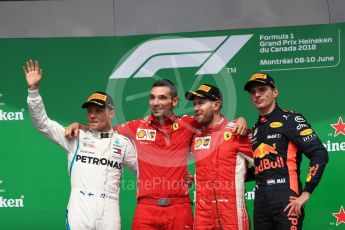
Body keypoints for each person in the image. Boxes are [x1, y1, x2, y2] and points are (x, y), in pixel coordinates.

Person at [66, 79, 248, 229]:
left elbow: (215, 121)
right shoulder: (137, 126)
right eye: (152, 98)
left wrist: (240, 120)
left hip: (179, 207)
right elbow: (106, 131)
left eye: (162, 98)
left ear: (174, 102)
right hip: (146, 208)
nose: (155, 102)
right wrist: (81, 127)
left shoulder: (189, 123)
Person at [23, 60, 137, 230]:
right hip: (80, 211)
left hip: (110, 212)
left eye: (98, 110)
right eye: (89, 111)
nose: (92, 115)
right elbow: (42, 123)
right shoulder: (75, 136)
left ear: (112, 113)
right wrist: (33, 91)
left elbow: (144, 172)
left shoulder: (123, 143)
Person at [243, 72, 329, 230]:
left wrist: (306, 193)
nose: (257, 94)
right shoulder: (255, 129)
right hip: (261, 200)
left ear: (275, 92)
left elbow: (319, 154)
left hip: (287, 197)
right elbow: (259, 168)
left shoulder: (291, 119)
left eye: (262, 89)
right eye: (252, 92)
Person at [185, 84, 253, 230]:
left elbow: (264, 164)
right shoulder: (194, 135)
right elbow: (172, 154)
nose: (196, 108)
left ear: (216, 105)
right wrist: (184, 175)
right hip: (203, 215)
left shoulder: (237, 131)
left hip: (232, 214)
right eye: (195, 104)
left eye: (201, 103)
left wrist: (241, 177)